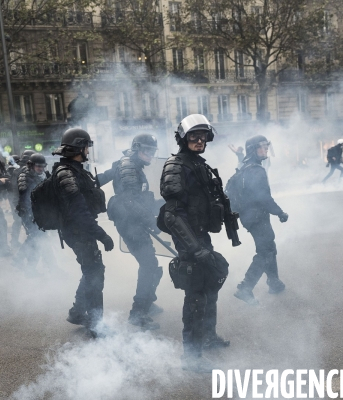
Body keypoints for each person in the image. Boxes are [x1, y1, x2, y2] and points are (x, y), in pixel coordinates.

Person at [160, 114, 231, 372]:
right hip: (189, 240)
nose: (199, 140)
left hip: (202, 236)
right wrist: (195, 248)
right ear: (183, 138)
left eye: (202, 136)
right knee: (196, 296)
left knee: (211, 286)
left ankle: (208, 337)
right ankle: (191, 358)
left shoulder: (199, 164)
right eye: (193, 136)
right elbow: (172, 214)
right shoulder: (176, 166)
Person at [51, 128, 113, 337]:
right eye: (86, 146)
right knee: (95, 274)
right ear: (80, 148)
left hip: (81, 230)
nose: (88, 150)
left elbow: (90, 187)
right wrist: (102, 235)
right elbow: (80, 213)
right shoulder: (66, 173)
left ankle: (78, 312)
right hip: (78, 231)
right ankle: (96, 326)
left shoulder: (74, 169)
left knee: (91, 270)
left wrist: (113, 172)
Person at [105, 134, 163, 330]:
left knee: (151, 265)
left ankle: (147, 303)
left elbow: (139, 200)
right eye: (147, 150)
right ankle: (138, 313)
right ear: (137, 148)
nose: (150, 155)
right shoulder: (129, 167)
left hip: (135, 222)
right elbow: (130, 201)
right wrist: (151, 222)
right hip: (131, 224)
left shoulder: (133, 164)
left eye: (153, 151)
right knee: (149, 265)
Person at [232, 135, 289, 306]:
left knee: (269, 248)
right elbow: (264, 197)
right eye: (261, 147)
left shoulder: (246, 166)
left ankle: (274, 283)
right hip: (257, 217)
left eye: (266, 146)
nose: (265, 150)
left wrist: (238, 156)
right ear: (253, 150)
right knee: (265, 252)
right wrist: (280, 212)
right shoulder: (257, 170)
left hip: (250, 216)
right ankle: (245, 287)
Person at [15, 153, 58, 276]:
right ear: (31, 165)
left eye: (43, 166)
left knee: (39, 241)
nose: (41, 168)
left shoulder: (42, 175)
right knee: (37, 239)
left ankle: (30, 267)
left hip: (40, 213)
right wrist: (30, 215)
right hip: (29, 214)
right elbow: (25, 197)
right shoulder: (25, 177)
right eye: (38, 166)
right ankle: (20, 260)